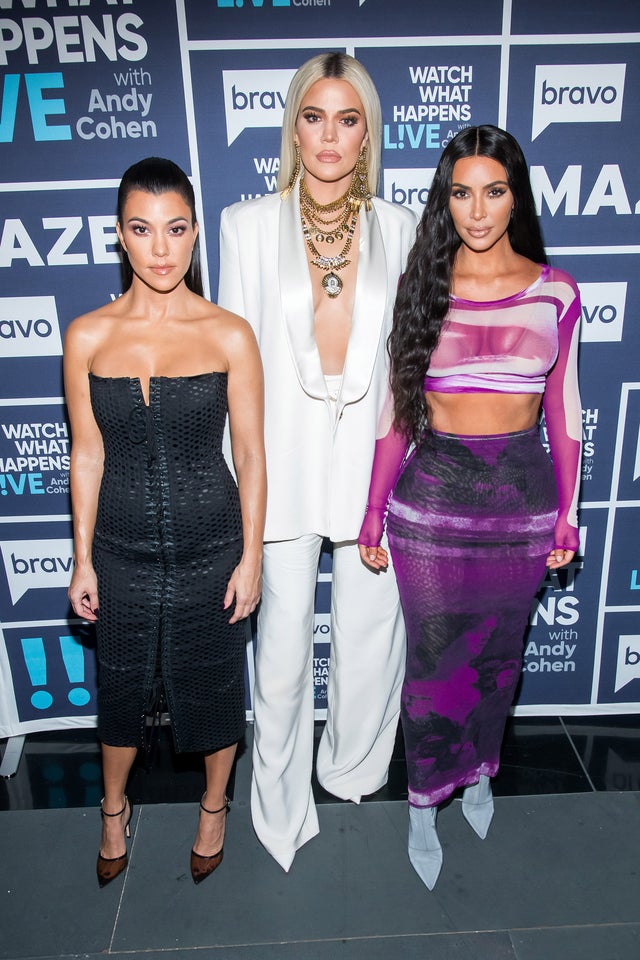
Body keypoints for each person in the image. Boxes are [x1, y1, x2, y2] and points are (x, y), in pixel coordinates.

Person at [358, 125, 582, 890]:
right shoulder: (421, 286)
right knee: (431, 666)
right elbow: (396, 411)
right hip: (433, 505)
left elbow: (564, 412)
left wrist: (568, 513)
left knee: (497, 660)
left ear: (515, 195)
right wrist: (372, 510)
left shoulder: (556, 290)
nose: (478, 211)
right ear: (444, 199)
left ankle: (480, 767)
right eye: (462, 192)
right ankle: (425, 800)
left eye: (493, 191)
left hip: (521, 500)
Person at [218, 52, 417, 871]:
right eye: (313, 116)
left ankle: (354, 769)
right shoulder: (245, 224)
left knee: (372, 636)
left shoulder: (399, 228)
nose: (328, 136)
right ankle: (278, 803)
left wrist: (391, 477)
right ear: (293, 126)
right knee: (284, 648)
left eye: (347, 119)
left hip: (369, 464)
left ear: (367, 132)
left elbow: (408, 365)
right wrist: (245, 484)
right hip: (282, 464)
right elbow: (235, 364)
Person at [65, 157, 266, 887]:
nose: (160, 249)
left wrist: (251, 559)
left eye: (176, 230)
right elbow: (86, 455)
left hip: (212, 543)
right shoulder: (86, 336)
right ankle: (112, 810)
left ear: (192, 236)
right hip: (118, 548)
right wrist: (82, 558)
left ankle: (215, 804)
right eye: (143, 230)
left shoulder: (229, 334)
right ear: (120, 235)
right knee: (119, 691)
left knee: (214, 688)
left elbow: (249, 451)